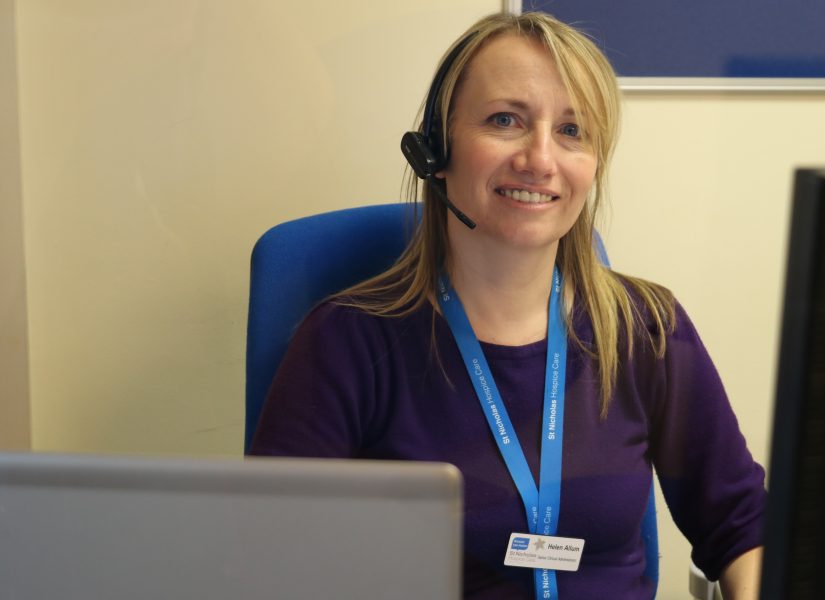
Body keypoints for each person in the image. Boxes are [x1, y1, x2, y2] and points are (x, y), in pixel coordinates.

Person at [250, 11, 766, 600]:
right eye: (505, 120)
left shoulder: (644, 330)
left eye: (572, 131)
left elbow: (743, 523)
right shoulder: (349, 343)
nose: (540, 159)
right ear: (435, 150)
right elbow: (273, 560)